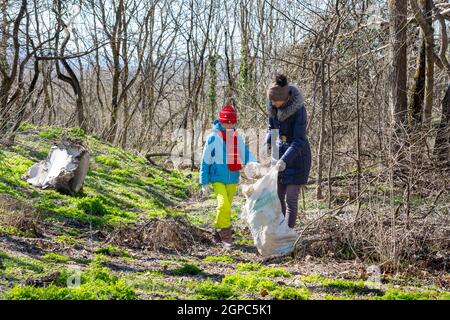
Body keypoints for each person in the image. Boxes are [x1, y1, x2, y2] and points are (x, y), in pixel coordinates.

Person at [199, 105, 260, 248]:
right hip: (217, 177)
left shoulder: (236, 137)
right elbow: (205, 160)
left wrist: (252, 162)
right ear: (221, 121)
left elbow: (244, 153)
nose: (230, 125)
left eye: (233, 123)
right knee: (223, 205)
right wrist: (204, 181)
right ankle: (226, 235)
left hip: (233, 177)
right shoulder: (213, 137)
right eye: (227, 122)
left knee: (227, 207)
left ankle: (216, 232)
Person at [266, 74, 312, 228]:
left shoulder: (299, 110)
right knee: (278, 199)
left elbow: (299, 140)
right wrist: (268, 145)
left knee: (290, 199)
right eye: (271, 100)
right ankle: (281, 232)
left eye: (275, 101)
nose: (272, 103)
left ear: (284, 99)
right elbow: (272, 129)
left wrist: (284, 161)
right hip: (280, 156)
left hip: (298, 158)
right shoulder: (273, 106)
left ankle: (287, 238)